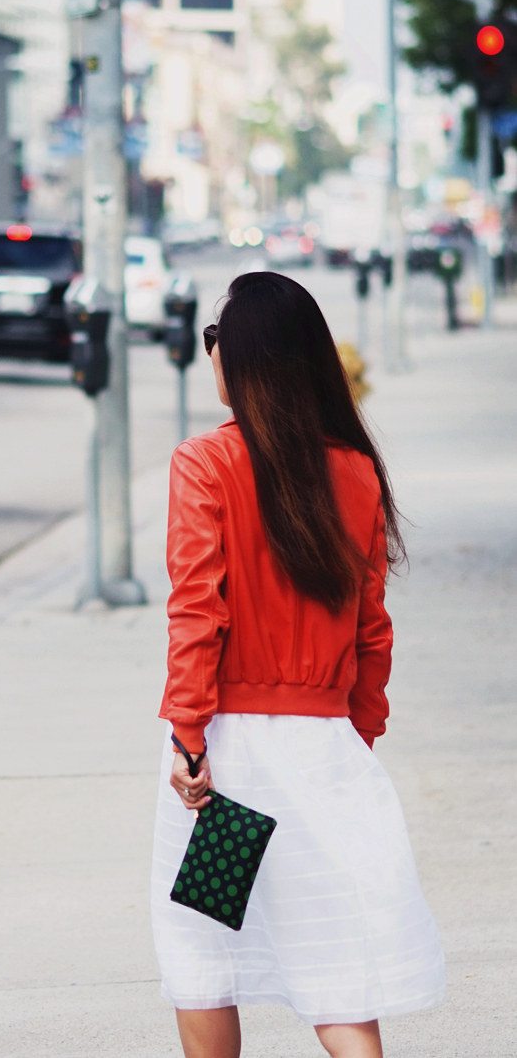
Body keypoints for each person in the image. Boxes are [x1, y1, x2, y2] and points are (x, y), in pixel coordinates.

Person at [151, 272, 445, 1058]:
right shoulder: (354, 472)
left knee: (206, 949)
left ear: (241, 360)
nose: (210, 354)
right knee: (334, 965)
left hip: (230, 764)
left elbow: (196, 612)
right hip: (324, 749)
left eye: (216, 340)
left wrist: (188, 735)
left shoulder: (206, 464)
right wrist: (358, 739)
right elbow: (372, 632)